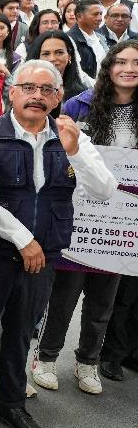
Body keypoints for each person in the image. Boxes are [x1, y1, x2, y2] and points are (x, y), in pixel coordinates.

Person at [0, 60, 117, 428]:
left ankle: (9, 403)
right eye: (28, 88)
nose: (37, 97)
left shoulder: (71, 135)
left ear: (58, 97)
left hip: (46, 253)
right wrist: (24, 240)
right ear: (11, 92)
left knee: (21, 333)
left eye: (46, 90)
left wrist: (74, 152)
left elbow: (105, 189)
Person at [34, 40, 138, 392]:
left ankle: (87, 362)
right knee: (64, 294)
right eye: (121, 61)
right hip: (81, 213)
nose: (129, 68)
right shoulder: (80, 105)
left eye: (136, 63)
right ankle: (46, 358)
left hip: (123, 221)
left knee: (104, 299)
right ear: (108, 67)